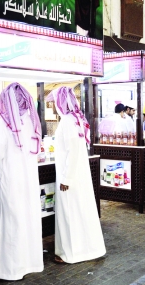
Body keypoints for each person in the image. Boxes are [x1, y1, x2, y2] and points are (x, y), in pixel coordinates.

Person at [46, 87, 106, 264]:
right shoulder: (76, 119)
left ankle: (72, 253)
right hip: (77, 175)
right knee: (81, 212)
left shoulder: (67, 121)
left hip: (70, 176)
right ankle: (86, 249)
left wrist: (66, 178)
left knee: (70, 214)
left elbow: (72, 152)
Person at [0, 83, 44, 280]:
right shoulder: (31, 121)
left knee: (12, 221)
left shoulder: (4, 122)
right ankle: (31, 263)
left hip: (12, 179)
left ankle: (11, 270)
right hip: (29, 179)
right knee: (29, 218)